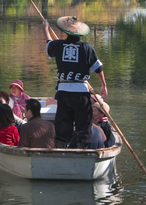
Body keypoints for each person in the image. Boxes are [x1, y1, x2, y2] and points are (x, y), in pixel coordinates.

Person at [44, 15, 107, 149]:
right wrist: (103, 84)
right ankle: (83, 148)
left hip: (64, 92)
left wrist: (46, 29)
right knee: (83, 124)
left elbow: (49, 44)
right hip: (81, 92)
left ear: (66, 31)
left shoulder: (58, 45)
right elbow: (98, 68)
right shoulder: (86, 47)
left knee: (63, 122)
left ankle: (61, 147)